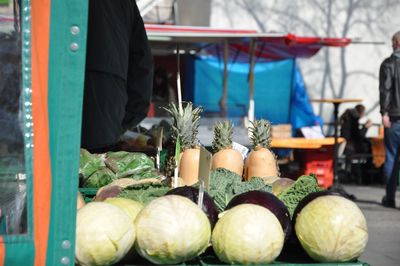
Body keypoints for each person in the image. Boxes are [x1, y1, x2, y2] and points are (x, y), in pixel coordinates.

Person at [81, 0, 153, 153]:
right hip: (106, 105)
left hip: (56, 103)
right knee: (96, 171)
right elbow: (141, 60)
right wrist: (128, 117)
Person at [379, 31, 400, 208]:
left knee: (391, 158)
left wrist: (384, 113)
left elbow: (385, 90)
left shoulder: (388, 64)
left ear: (396, 42)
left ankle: (390, 198)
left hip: (393, 119)